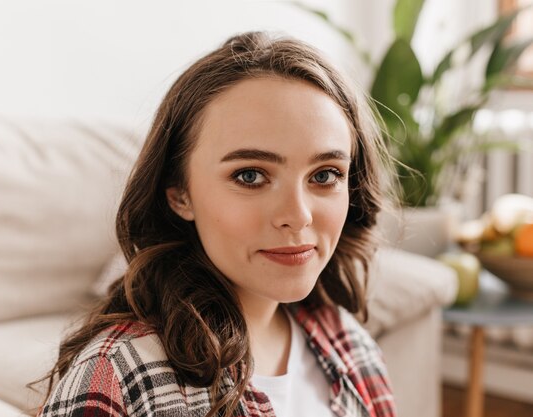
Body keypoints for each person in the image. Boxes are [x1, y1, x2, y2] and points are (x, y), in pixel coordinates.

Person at [36, 31, 397, 417]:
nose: (298, 215)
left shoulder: (349, 344)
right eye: (250, 176)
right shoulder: (119, 374)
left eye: (325, 175)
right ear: (179, 194)